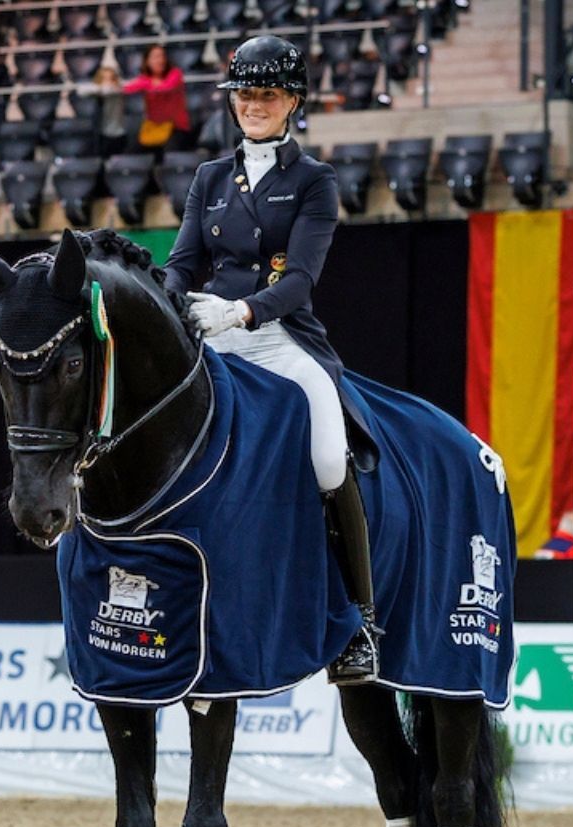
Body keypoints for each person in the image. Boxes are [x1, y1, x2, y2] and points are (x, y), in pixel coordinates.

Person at [162, 34, 381, 684]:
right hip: (210, 330)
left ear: (291, 101)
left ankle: (359, 622)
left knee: (324, 455)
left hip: (278, 335)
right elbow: (180, 265)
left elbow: (300, 282)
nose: (253, 105)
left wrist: (242, 311)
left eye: (267, 94)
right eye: (244, 94)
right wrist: (177, 309)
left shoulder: (314, 180)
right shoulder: (209, 178)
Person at [121, 44, 193, 152]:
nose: (160, 60)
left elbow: (166, 87)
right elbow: (127, 89)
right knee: (131, 153)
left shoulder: (175, 73)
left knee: (171, 151)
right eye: (155, 57)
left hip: (176, 128)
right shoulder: (145, 78)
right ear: (147, 61)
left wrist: (146, 84)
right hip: (154, 128)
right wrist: (149, 83)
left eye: (162, 56)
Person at [79, 66, 129, 157]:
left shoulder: (119, 90)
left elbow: (113, 89)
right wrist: (100, 88)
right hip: (103, 135)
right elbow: (81, 91)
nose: (108, 82)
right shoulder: (98, 92)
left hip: (120, 134)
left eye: (111, 78)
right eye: (105, 79)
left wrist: (106, 88)